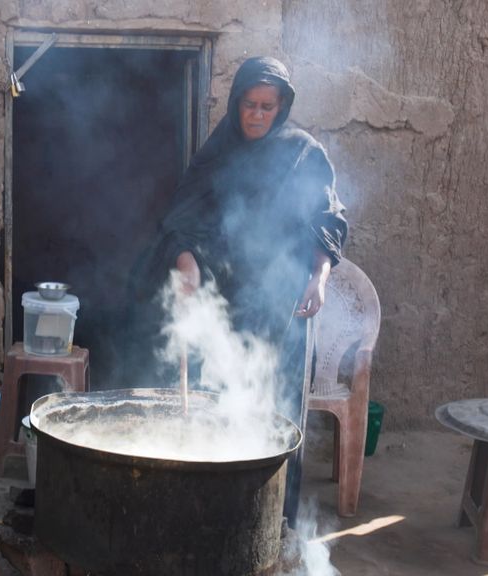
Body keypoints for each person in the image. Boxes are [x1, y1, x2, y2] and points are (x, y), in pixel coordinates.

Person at [128, 56, 348, 524]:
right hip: (224, 303)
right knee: (220, 401)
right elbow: (180, 222)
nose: (257, 115)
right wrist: (186, 264)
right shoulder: (218, 153)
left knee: (279, 407)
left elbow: (326, 222)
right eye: (249, 104)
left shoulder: (303, 153)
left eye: (268, 106)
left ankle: (275, 522)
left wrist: (320, 276)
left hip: (284, 304)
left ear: (282, 106)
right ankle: (216, 517)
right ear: (236, 103)